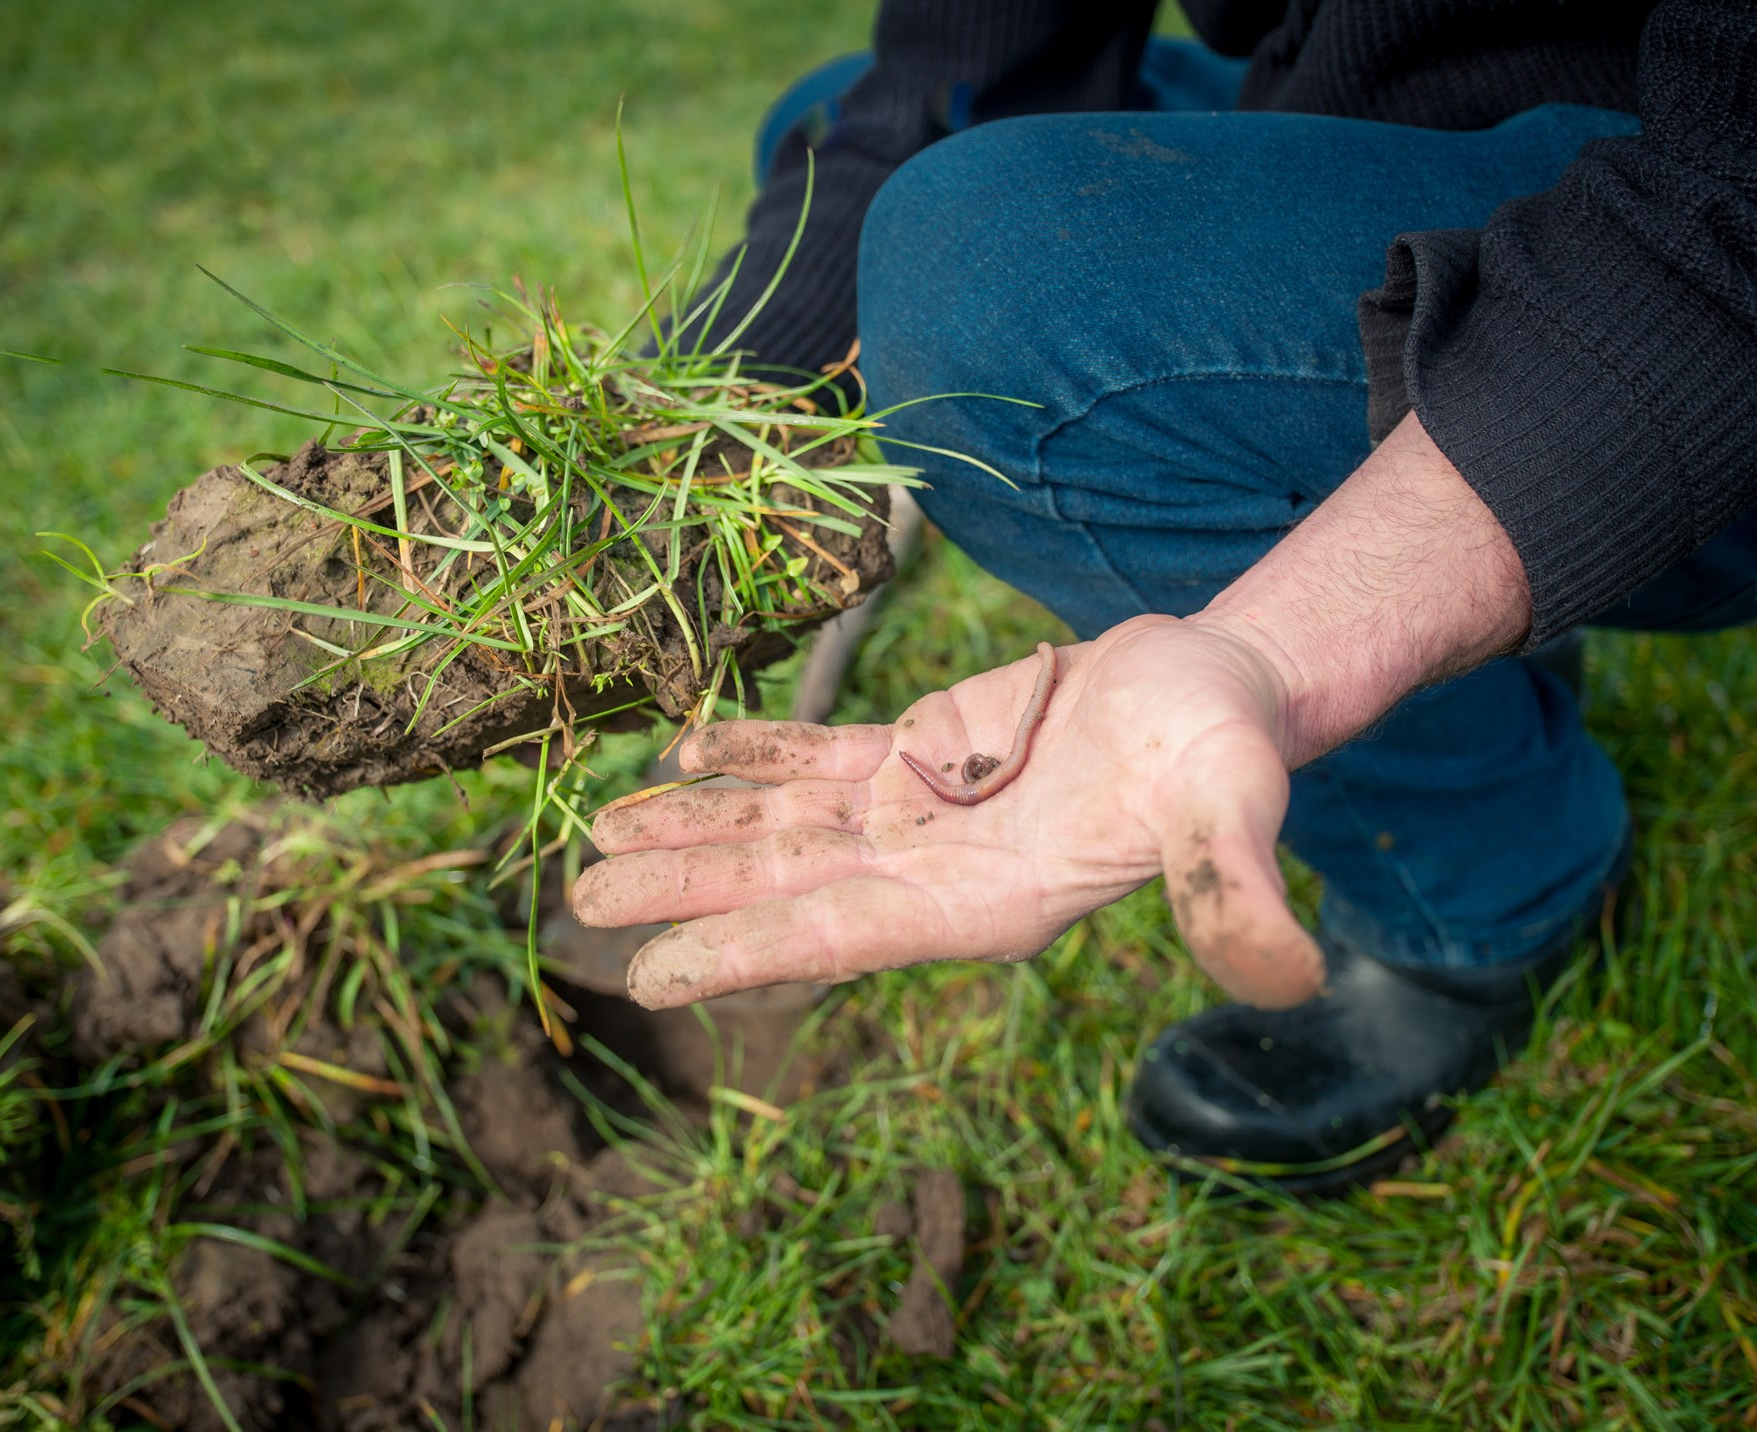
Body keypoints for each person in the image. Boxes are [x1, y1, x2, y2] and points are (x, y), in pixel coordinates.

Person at [572, 0, 1757, 1195]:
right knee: (839, 126)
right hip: (1430, 87)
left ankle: (1481, 892)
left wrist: (1274, 646)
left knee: (982, 290)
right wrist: (694, 435)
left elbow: (1732, 216)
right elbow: (965, 68)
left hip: (1699, 259)